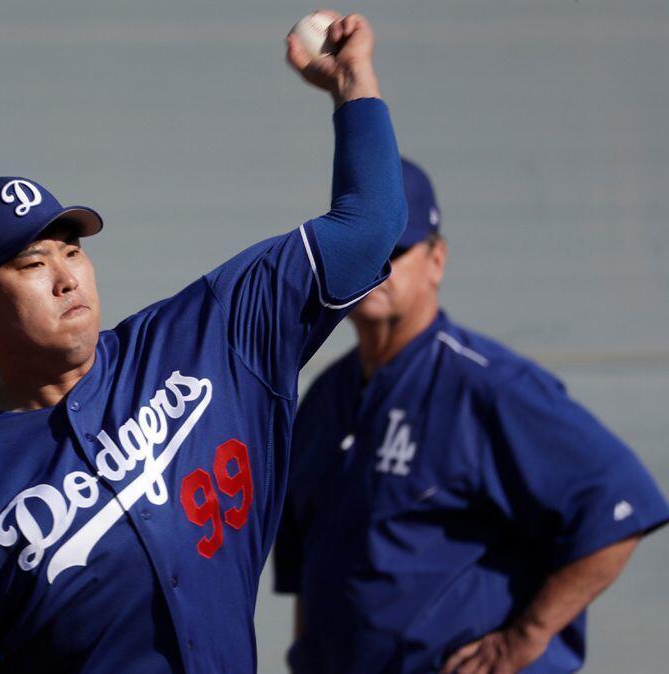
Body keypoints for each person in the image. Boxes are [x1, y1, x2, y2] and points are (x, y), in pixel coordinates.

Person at [0, 12, 407, 673]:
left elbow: (372, 224)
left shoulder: (210, 336)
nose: (66, 275)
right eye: (32, 263)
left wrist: (354, 82)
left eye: (72, 249)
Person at [272, 158, 669, 674]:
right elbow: (309, 567)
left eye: (396, 250)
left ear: (437, 260)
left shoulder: (489, 387)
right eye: (360, 246)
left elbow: (620, 502)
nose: (375, 265)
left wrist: (521, 641)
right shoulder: (324, 396)